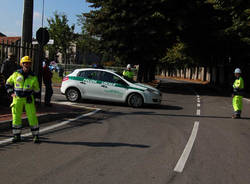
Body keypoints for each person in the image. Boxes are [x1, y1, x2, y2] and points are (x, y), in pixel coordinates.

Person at [5, 56, 40, 143]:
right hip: (17, 98)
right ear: (22, 64)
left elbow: (37, 90)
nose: (27, 65)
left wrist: (36, 100)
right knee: (16, 117)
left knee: (32, 117)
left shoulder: (33, 77)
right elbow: (8, 83)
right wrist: (11, 93)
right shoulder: (16, 74)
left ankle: (35, 136)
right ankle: (16, 135)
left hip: (28, 99)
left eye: (29, 63)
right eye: (25, 63)